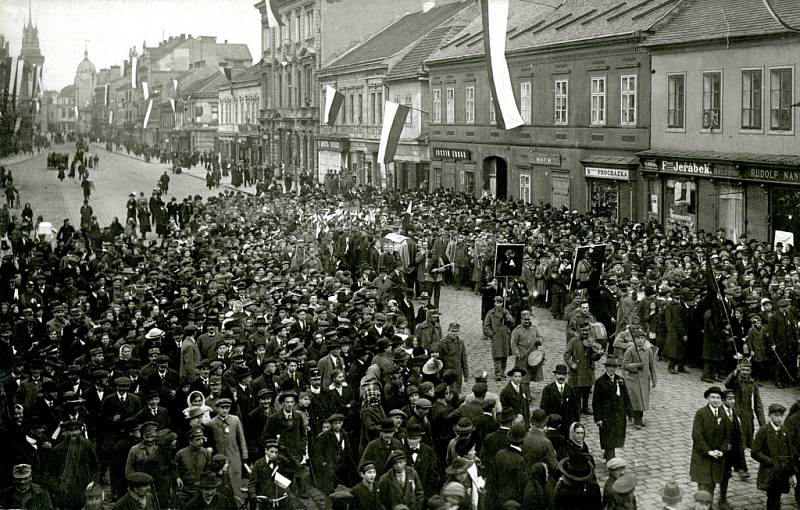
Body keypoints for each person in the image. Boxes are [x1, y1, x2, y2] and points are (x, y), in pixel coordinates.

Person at [689, 386, 731, 502]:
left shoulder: (723, 414)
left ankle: (708, 505)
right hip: (703, 457)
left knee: (712, 484)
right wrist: (708, 451)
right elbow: (697, 435)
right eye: (713, 397)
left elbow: (728, 435)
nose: (716, 400)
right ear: (708, 398)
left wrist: (721, 450)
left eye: (718, 398)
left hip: (717, 458)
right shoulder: (701, 413)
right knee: (703, 486)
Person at [751, 403, 795, 510]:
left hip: (782, 472)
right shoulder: (764, 431)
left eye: (781, 415)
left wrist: (792, 473)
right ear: (769, 415)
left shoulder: (784, 430)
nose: (779, 418)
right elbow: (755, 452)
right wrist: (769, 461)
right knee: (772, 497)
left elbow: (790, 452)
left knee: (777, 496)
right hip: (769, 472)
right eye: (776, 415)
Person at [206, 398, 248, 497]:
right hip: (220, 461)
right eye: (222, 408)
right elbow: (211, 443)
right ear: (217, 408)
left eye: (227, 408)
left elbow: (241, 439)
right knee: (223, 488)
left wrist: (244, 457)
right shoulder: (211, 423)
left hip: (235, 458)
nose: (225, 410)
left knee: (236, 486)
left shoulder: (235, 420)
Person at [592, 357, 632, 461]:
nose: (611, 369)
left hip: (618, 414)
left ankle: (609, 452)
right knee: (608, 436)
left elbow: (626, 397)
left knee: (616, 436)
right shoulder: (600, 382)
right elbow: (596, 402)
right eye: (609, 367)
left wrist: (630, 413)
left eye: (613, 367)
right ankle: (610, 457)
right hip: (606, 415)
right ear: (605, 367)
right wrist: (598, 418)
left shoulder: (620, 380)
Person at [621, 330, 656, 428]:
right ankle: (636, 421)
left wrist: (654, 379)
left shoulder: (648, 351)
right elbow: (624, 365)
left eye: (642, 338)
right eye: (637, 338)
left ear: (645, 340)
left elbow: (652, 366)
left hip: (644, 380)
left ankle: (639, 419)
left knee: (643, 400)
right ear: (634, 339)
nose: (640, 341)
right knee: (636, 401)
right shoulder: (630, 350)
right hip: (633, 380)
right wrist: (636, 365)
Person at [511, 310, 544, 396]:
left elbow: (540, 338)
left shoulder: (534, 328)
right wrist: (518, 353)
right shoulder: (517, 330)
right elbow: (513, 344)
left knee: (530, 376)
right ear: (521, 319)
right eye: (525, 319)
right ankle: (525, 395)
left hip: (533, 358)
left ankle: (526, 393)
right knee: (524, 377)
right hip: (522, 358)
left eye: (528, 319)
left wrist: (539, 340)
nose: (527, 321)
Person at [484, 295, 514, 381]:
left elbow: (512, 323)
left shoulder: (506, 312)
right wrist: (492, 334)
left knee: (504, 355)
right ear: (494, 303)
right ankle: (497, 372)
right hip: (496, 336)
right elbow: (486, 326)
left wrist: (508, 318)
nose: (499, 305)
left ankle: (502, 371)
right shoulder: (490, 313)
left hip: (505, 336)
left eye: (500, 303)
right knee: (497, 355)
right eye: (497, 303)